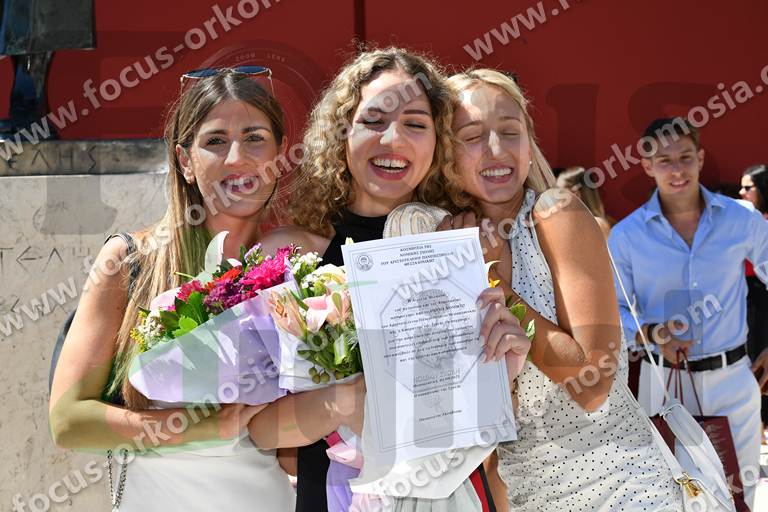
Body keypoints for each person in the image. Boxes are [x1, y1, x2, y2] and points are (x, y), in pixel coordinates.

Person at [249, 47, 531, 512]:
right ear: (341, 133)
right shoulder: (290, 256)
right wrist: (350, 400)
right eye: (374, 120)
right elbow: (262, 433)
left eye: (415, 124)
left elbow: (493, 432)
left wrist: (507, 370)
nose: (393, 139)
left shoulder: (464, 247)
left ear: (438, 142)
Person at [48, 68, 296, 511]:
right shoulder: (130, 262)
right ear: (185, 161)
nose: (237, 158)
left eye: (255, 138)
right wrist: (199, 427)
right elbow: (68, 421)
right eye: (215, 141)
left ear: (279, 152)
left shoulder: (295, 273)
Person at [440, 69, 684, 510]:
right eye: (472, 136)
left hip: (623, 490)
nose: (496, 148)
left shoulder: (556, 214)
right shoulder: (445, 245)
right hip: (527, 495)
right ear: (446, 157)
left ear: (529, 143)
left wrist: (494, 282)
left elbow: (593, 385)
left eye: (510, 131)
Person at [609, 117, 768, 510]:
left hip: (733, 381)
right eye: (664, 161)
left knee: (739, 500)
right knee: (670, 497)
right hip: (663, 384)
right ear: (647, 165)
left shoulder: (742, 219)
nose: (677, 170)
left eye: (684, 157)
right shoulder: (627, 236)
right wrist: (649, 332)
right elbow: (612, 311)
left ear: (700, 158)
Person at [740, 164, 768, 433]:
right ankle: (757, 424)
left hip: (762, 297)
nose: (742, 192)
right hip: (745, 296)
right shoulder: (743, 222)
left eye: (748, 187)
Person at [555, 166, 613, 238]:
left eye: (560, 193)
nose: (556, 200)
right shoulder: (599, 223)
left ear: (576, 193)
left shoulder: (592, 226)